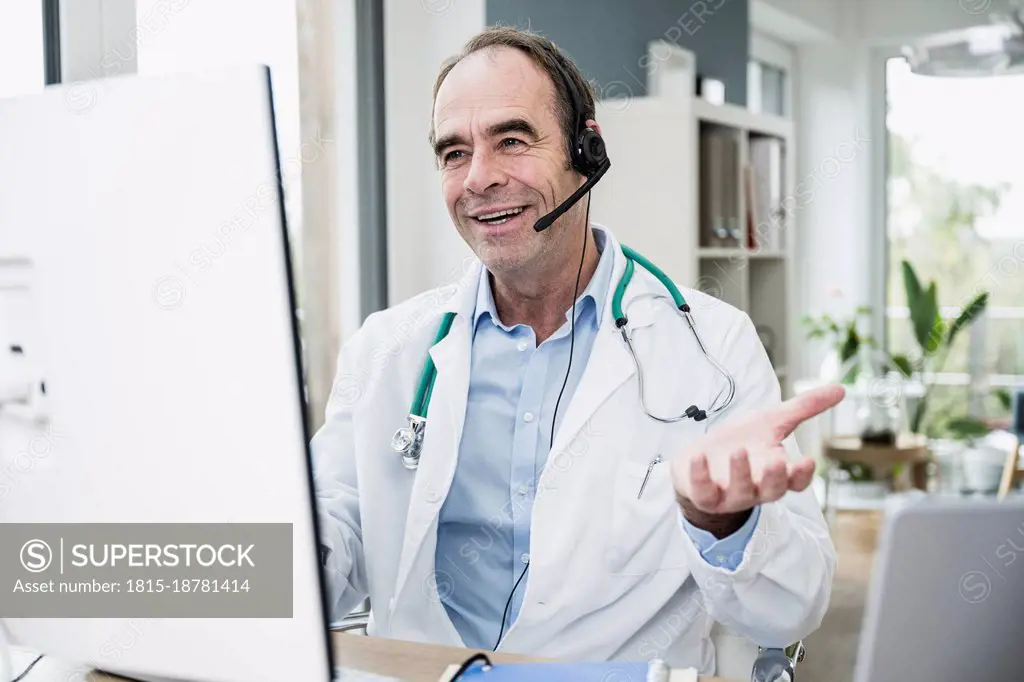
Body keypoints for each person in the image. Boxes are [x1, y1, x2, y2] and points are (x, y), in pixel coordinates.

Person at [311, 25, 841, 673]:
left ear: (586, 152)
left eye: (511, 140)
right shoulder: (388, 349)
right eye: (454, 152)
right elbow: (329, 554)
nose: (479, 178)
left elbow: (793, 610)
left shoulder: (713, 347)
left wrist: (724, 525)